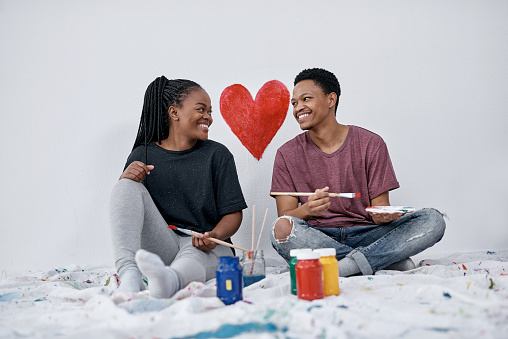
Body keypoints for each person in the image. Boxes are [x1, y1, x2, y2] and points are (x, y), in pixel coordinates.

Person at [270, 68, 445, 277]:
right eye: (295, 103)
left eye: (306, 99)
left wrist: (383, 215)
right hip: (318, 237)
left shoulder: (371, 143)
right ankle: (382, 261)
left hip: (368, 233)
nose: (299, 108)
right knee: (280, 229)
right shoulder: (286, 154)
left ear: (330, 99)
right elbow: (286, 218)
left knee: (433, 220)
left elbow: (380, 208)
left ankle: (346, 267)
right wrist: (308, 209)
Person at [110, 76, 247, 297]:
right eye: (201, 109)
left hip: (207, 247)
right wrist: (125, 180)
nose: (208, 118)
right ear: (174, 113)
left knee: (193, 256)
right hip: (164, 245)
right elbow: (128, 208)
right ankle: (129, 275)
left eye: (210, 112)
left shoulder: (217, 154)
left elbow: (233, 215)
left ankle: (170, 280)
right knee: (125, 186)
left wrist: (214, 235)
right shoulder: (142, 155)